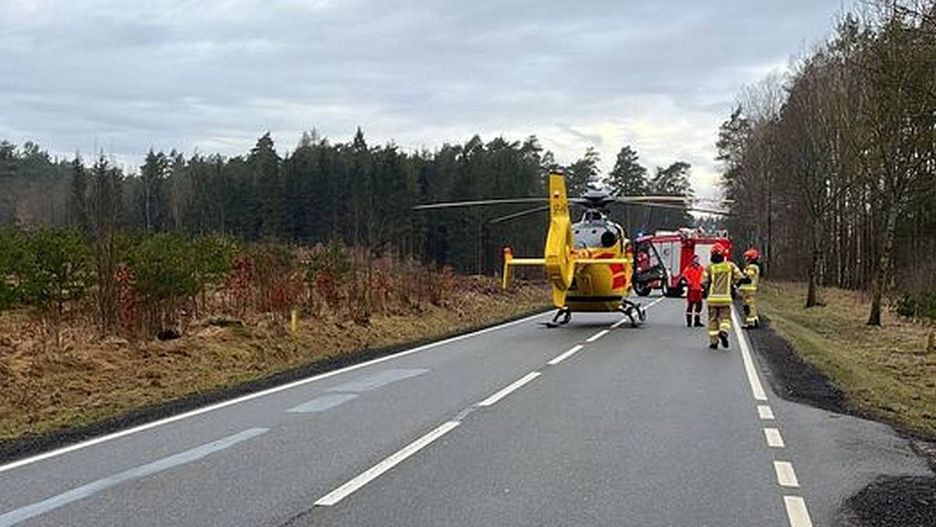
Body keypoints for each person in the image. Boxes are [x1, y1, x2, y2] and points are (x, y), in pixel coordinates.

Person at [702, 244, 743, 349]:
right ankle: (724, 331)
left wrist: (704, 291)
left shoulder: (709, 268)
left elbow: (703, 282)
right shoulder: (730, 266)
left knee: (713, 320)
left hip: (712, 299)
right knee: (725, 319)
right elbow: (740, 277)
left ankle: (714, 342)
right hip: (725, 298)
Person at [680, 254, 705, 327]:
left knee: (699, 305)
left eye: (698, 259)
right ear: (693, 260)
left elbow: (704, 276)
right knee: (690, 305)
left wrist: (703, 285)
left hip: (699, 289)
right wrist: (689, 282)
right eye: (696, 259)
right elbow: (684, 276)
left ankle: (697, 321)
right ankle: (689, 322)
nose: (697, 260)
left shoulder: (701, 268)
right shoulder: (689, 268)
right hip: (692, 289)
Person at [740, 248, 761, 328]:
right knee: (751, 305)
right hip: (750, 289)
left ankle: (750, 323)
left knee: (748, 306)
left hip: (748, 290)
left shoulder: (751, 267)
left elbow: (748, 277)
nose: (746, 259)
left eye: (747, 257)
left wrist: (740, 280)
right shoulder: (754, 266)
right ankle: (755, 320)